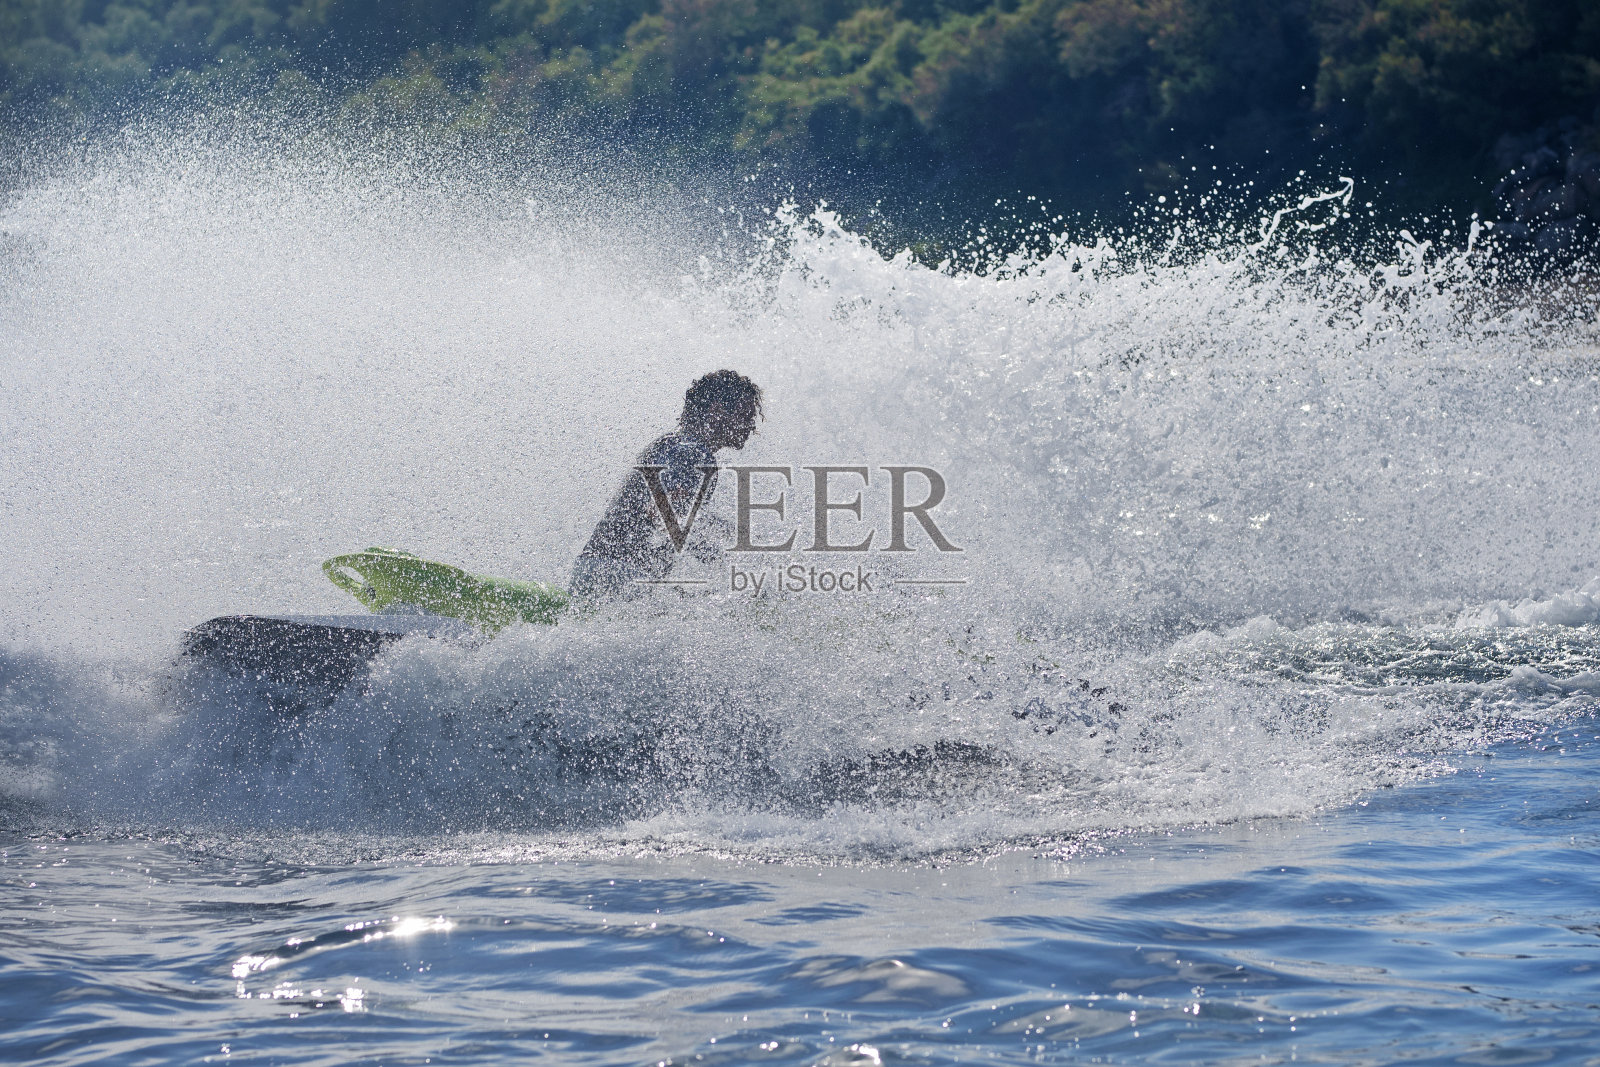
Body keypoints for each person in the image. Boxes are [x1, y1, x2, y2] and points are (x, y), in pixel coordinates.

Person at [569, 370, 762, 602]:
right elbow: (664, 511)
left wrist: (718, 550)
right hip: (621, 577)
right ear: (717, 411)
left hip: (592, 571)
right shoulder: (694, 453)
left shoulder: (673, 443)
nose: (751, 425)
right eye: (746, 415)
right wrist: (727, 548)